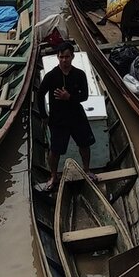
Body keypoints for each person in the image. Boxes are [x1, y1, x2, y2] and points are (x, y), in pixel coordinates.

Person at [36, 42, 94, 193]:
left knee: (84, 145)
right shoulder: (51, 76)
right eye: (61, 57)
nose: (64, 60)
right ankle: (53, 175)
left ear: (72, 57)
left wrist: (69, 97)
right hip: (58, 119)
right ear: (57, 57)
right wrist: (43, 115)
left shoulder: (79, 74)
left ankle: (87, 170)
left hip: (76, 116)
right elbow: (40, 94)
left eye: (67, 57)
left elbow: (84, 96)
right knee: (55, 150)